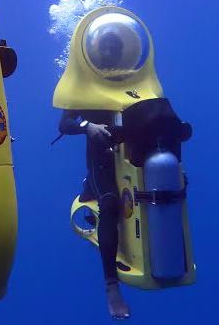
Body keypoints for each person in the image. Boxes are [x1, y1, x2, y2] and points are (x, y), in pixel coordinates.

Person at [58, 109, 131, 320]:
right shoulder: (84, 84)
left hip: (130, 151)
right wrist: (88, 127)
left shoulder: (132, 79)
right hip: (101, 158)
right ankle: (111, 285)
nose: (108, 72)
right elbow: (64, 124)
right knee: (109, 205)